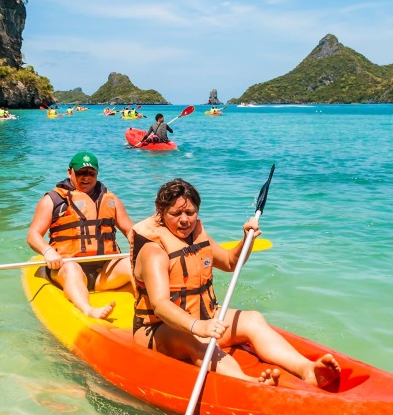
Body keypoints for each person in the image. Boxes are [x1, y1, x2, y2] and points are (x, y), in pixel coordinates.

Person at [130, 178, 341, 387]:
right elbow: (160, 304)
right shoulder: (153, 251)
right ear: (160, 211)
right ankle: (248, 383)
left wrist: (247, 240)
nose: (185, 220)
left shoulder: (196, 235)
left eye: (190, 213)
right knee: (198, 341)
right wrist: (198, 326)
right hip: (160, 330)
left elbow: (231, 262)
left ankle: (307, 370)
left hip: (205, 319)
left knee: (253, 319)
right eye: (176, 214)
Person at [27, 152, 134, 319]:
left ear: (97, 174)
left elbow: (130, 231)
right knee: (71, 267)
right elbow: (33, 235)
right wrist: (47, 251)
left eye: (91, 174)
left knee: (133, 263)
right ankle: (89, 310)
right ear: (70, 172)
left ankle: (151, 306)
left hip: (104, 273)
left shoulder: (111, 199)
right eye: (81, 173)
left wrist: (145, 250)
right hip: (66, 268)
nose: (86, 178)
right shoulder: (53, 200)